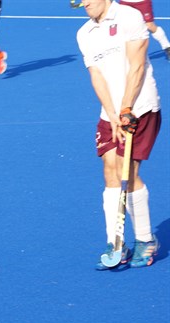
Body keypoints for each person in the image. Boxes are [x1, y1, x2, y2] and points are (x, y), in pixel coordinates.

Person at [76, 0, 162, 269]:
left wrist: (126, 109)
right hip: (111, 112)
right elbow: (97, 76)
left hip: (140, 107)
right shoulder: (84, 33)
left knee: (129, 172)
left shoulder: (129, 17)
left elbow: (137, 66)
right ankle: (115, 242)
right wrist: (112, 113)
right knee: (110, 169)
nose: (83, 3)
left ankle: (146, 239)